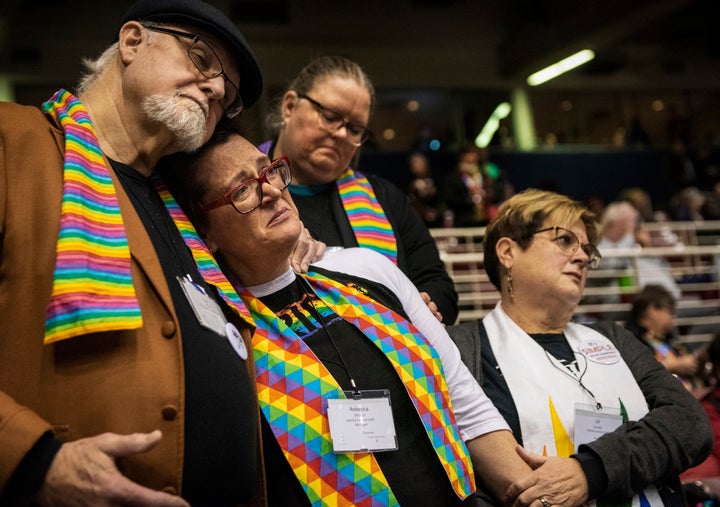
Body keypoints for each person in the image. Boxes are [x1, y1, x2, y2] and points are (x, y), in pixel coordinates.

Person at [158, 130, 577, 507]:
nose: (269, 190)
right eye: (241, 191)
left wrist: (531, 496)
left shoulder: (367, 270)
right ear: (204, 232)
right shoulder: (220, 335)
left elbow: (462, 399)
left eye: (267, 172)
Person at [0, 1, 272, 505]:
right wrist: (33, 461)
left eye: (228, 96)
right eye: (202, 59)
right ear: (131, 42)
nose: (215, 89)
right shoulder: (12, 141)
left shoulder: (180, 207)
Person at [447, 189, 712, 506]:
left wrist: (592, 471)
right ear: (507, 252)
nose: (583, 257)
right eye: (564, 241)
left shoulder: (614, 339)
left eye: (587, 249)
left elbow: (690, 425)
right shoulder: (465, 350)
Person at [258, 55, 459, 324]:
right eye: (330, 117)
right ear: (290, 106)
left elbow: (437, 283)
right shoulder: (242, 190)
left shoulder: (385, 198)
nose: (341, 134)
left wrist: (422, 307)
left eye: (354, 128)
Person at [625, 284, 699, 384]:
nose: (673, 318)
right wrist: (673, 366)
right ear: (652, 310)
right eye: (670, 312)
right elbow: (638, 369)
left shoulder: (670, 340)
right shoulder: (630, 340)